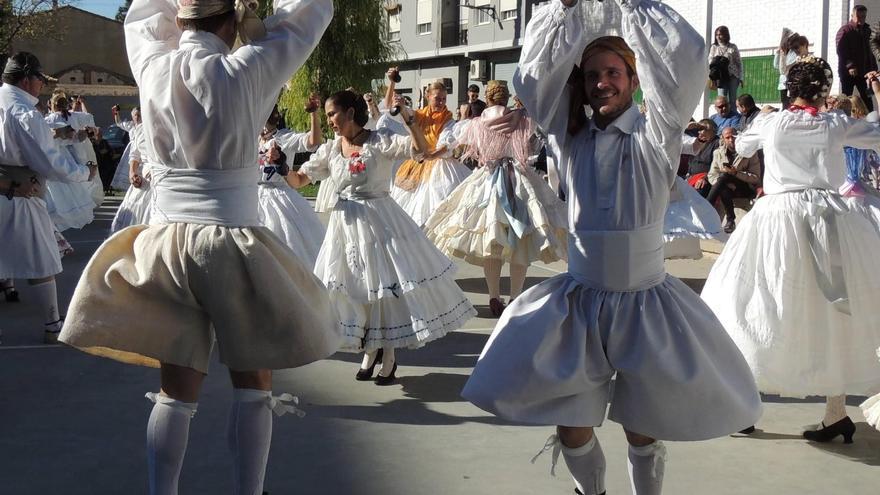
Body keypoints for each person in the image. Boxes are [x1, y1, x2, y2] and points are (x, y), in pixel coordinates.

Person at [462, 2, 761, 495]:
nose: (603, 82)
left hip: (643, 300)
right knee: (571, 422)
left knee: (642, 424)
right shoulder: (567, 135)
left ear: (634, 79)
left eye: (614, 72)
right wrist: (567, 13)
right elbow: (534, 80)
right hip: (580, 300)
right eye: (594, 74)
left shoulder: (655, 134)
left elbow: (684, 59)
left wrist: (631, 5)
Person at [57, 2, 339, 494]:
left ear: (182, 19)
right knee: (254, 388)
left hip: (165, 241)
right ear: (229, 21)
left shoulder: (152, 64)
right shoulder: (250, 65)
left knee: (175, 393)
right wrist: (259, 23)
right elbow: (310, 12)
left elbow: (144, 18)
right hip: (231, 240)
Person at [702, 55, 880, 444]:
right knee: (835, 311)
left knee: (757, 303)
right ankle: (836, 412)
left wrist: (756, 123)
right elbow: (876, 132)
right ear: (823, 90)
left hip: (777, 217)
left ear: (790, 90)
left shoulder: (771, 122)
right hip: (831, 219)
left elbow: (742, 146)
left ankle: (746, 404)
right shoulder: (835, 123)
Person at [285, 90, 477, 385]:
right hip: (345, 227)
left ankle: (388, 355)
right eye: (327, 116)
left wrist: (410, 121)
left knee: (384, 290)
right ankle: (370, 349)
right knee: (356, 289)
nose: (330, 121)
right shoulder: (331, 149)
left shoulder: (379, 141)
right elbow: (299, 181)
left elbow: (421, 151)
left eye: (332, 114)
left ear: (350, 113)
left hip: (380, 224)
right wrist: (279, 167)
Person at [424, 80, 567, 316]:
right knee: (521, 240)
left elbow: (451, 144)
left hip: (487, 180)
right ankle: (514, 297)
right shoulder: (523, 119)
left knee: (493, 241)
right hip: (520, 179)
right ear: (507, 97)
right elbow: (540, 139)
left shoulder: (475, 124)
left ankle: (493, 296)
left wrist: (429, 154)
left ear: (487, 100)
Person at [0, 52, 97, 343]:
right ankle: (53, 324)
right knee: (43, 259)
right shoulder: (24, 113)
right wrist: (85, 173)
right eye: (41, 79)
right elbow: (50, 162)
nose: (43, 85)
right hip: (20, 195)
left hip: (11, 189)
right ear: (27, 79)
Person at [391, 77, 472, 226]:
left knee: (436, 202)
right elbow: (405, 115)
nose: (441, 102)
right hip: (418, 163)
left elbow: (448, 144)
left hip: (438, 163)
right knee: (408, 202)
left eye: (444, 99)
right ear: (428, 96)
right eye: (437, 98)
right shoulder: (419, 114)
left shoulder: (447, 118)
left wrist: (431, 155)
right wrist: (399, 102)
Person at [257, 97, 326, 267]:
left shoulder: (284, 137)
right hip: (253, 194)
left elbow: (313, 141)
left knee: (286, 241)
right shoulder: (252, 139)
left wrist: (313, 114)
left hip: (279, 195)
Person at [43, 92, 98, 231]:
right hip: (75, 151)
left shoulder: (49, 119)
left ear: (53, 105)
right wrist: (85, 132)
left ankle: (57, 214)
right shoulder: (74, 115)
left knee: (58, 186)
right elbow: (90, 118)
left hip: (56, 153)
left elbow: (43, 136)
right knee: (73, 183)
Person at [706, 127, 761, 233]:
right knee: (723, 182)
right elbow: (712, 175)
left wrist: (736, 173)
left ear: (738, 137)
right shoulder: (718, 153)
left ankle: (707, 206)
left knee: (724, 176)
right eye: (728, 137)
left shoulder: (750, 153)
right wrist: (724, 183)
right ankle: (730, 221)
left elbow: (755, 178)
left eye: (733, 137)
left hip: (745, 187)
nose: (731, 140)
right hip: (727, 188)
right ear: (723, 139)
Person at [110, 105, 153, 233]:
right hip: (145, 177)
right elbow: (135, 154)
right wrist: (132, 173)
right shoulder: (136, 128)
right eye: (136, 115)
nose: (138, 117)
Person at [836, 4, 876, 111]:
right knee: (846, 99)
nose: (861, 19)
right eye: (858, 16)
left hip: (864, 72)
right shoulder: (845, 30)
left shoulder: (867, 31)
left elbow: (870, 51)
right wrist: (850, 66)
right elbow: (841, 50)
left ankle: (872, 123)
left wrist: (874, 68)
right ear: (852, 16)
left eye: (863, 16)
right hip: (848, 73)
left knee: (867, 98)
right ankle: (842, 120)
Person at [709, 25, 744, 103]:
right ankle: (722, 115)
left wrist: (741, 77)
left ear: (726, 35)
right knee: (722, 99)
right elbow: (710, 61)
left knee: (733, 100)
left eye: (720, 34)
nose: (718, 37)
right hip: (721, 77)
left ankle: (733, 114)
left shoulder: (733, 47)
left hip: (733, 76)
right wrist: (712, 77)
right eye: (717, 35)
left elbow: (739, 63)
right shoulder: (714, 47)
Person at [685, 119, 719, 197]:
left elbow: (717, 166)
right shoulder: (698, 142)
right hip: (690, 177)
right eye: (698, 129)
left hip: (705, 178)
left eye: (702, 129)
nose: (699, 132)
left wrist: (705, 178)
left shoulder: (717, 143)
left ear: (711, 130)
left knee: (699, 191)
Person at [775, 32, 809, 108]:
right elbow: (783, 71)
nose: (796, 51)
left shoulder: (813, 60)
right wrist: (781, 55)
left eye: (797, 48)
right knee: (787, 106)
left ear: (805, 45)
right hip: (789, 88)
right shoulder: (795, 58)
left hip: (805, 93)